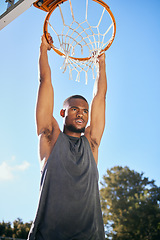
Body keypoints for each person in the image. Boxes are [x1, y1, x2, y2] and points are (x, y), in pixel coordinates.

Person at [27, 34, 107, 240]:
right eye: (74, 109)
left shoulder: (92, 142)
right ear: (63, 113)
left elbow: (100, 97)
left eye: (84, 111)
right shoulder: (50, 137)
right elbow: (45, 81)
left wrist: (101, 65)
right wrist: (43, 49)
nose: (81, 113)